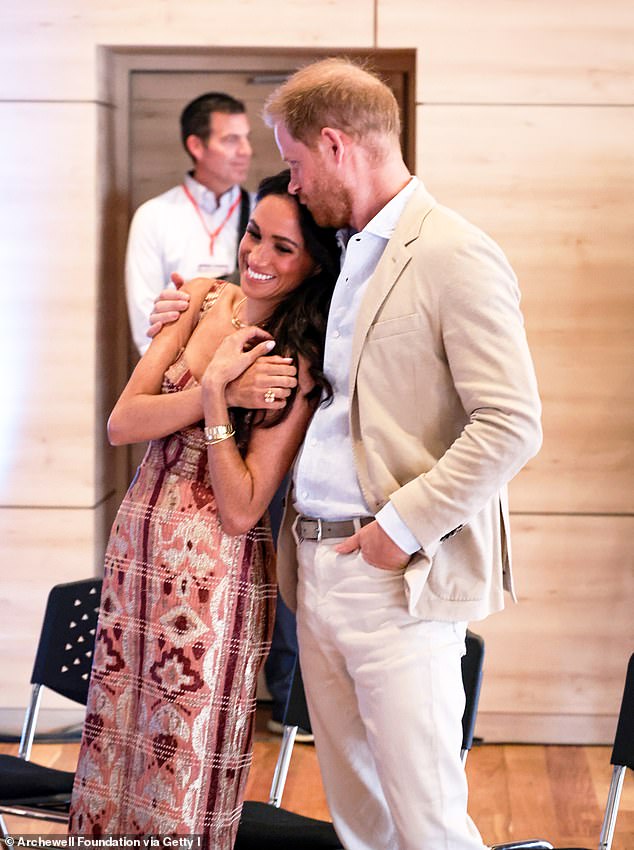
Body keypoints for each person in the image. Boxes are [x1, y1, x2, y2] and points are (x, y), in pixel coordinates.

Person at [150, 58, 543, 850]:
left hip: (393, 573)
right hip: (316, 568)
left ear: (334, 145)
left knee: (427, 821)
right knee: (359, 823)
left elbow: (511, 423)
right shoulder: (342, 248)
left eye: (295, 162)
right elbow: (262, 293)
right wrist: (194, 304)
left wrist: (400, 528)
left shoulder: (454, 252)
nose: (291, 181)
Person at [69, 171, 339, 848]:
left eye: (284, 248)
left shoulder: (299, 357)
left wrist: (216, 401)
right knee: (112, 750)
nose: (258, 256)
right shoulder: (198, 296)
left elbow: (244, 508)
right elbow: (124, 422)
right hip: (138, 547)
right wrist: (214, 386)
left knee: (178, 770)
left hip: (216, 577)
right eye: (255, 234)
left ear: (312, 264)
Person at [125, 91, 253, 356]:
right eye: (231, 140)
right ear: (196, 146)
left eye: (246, 138)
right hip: (174, 377)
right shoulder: (154, 215)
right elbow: (145, 322)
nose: (246, 151)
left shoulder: (262, 212)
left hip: (249, 369)